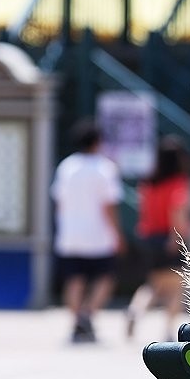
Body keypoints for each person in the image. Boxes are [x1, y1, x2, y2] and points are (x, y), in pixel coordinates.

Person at [51, 121, 124, 343]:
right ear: (97, 142)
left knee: (74, 280)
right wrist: (118, 234)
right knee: (106, 277)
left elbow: (59, 201)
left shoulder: (66, 166)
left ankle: (76, 322)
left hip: (71, 234)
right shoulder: (105, 168)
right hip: (99, 235)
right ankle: (87, 314)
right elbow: (109, 205)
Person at [126, 137, 190, 341]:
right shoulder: (178, 182)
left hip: (149, 237)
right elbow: (177, 211)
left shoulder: (148, 183)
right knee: (177, 287)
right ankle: (168, 330)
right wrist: (176, 238)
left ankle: (135, 310)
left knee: (153, 285)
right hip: (169, 237)